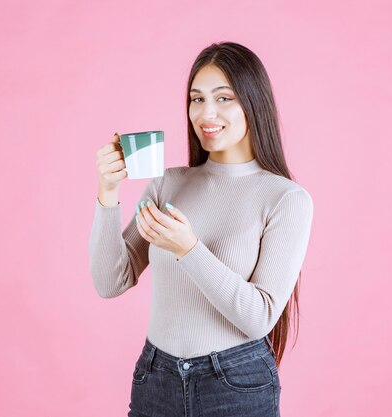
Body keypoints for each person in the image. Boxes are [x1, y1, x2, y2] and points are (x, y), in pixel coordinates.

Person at [89, 41, 314, 417]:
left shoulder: (286, 198)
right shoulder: (168, 184)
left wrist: (189, 250)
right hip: (155, 379)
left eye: (223, 98)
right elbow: (110, 282)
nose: (206, 113)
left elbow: (259, 317)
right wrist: (108, 192)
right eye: (197, 99)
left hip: (235, 383)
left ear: (253, 103)